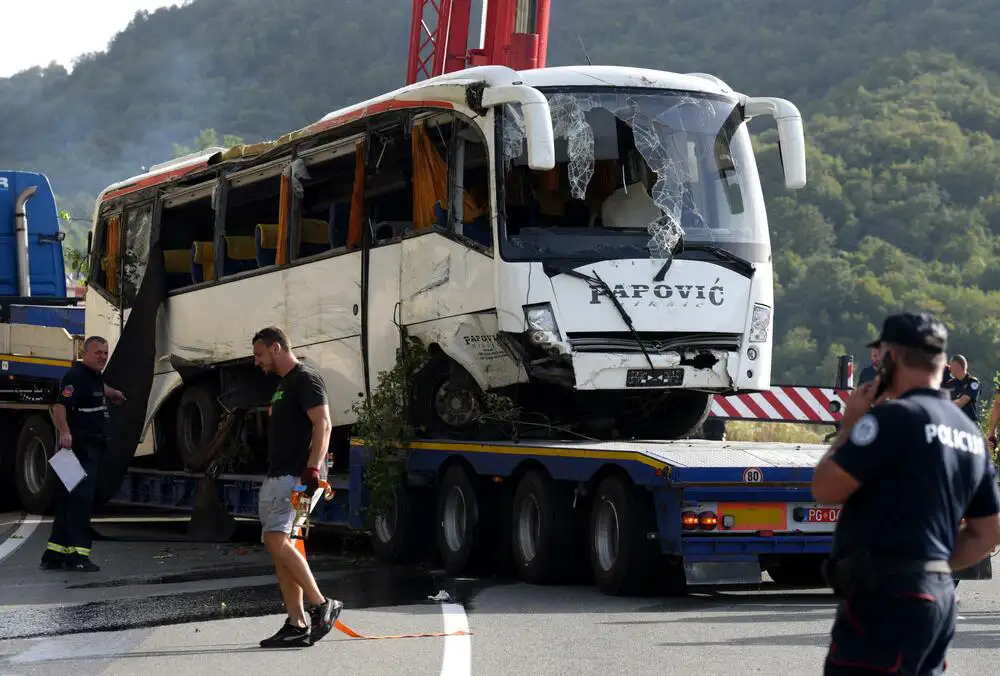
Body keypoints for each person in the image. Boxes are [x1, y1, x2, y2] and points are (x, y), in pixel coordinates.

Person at [811, 311, 1000, 675]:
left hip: (887, 595)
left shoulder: (892, 419)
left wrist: (850, 425)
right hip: (939, 596)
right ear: (943, 362)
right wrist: (932, 563)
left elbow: (825, 487)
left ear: (891, 358)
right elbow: (989, 532)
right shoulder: (969, 436)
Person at [251, 326, 343, 648]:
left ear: (276, 348)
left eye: (260, 354)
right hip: (280, 475)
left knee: (277, 539)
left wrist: (313, 468)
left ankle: (320, 605)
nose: (257, 362)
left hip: (298, 476)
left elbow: (324, 423)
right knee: (280, 548)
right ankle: (297, 622)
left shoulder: (305, 378)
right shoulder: (283, 386)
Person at [40, 336, 126, 572]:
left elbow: (97, 389)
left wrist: (113, 393)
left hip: (91, 448)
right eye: (98, 352)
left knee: (69, 501)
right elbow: (60, 406)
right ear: (85, 353)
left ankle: (54, 553)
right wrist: (65, 432)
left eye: (105, 353)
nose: (103, 357)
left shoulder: (94, 377)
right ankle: (78, 556)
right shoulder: (75, 377)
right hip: (80, 449)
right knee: (80, 502)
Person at [943, 354, 981, 423]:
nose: (949, 369)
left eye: (951, 366)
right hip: (954, 423)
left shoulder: (973, 382)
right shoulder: (950, 383)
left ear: (957, 366)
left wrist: (943, 405)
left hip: (969, 423)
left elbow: (962, 401)